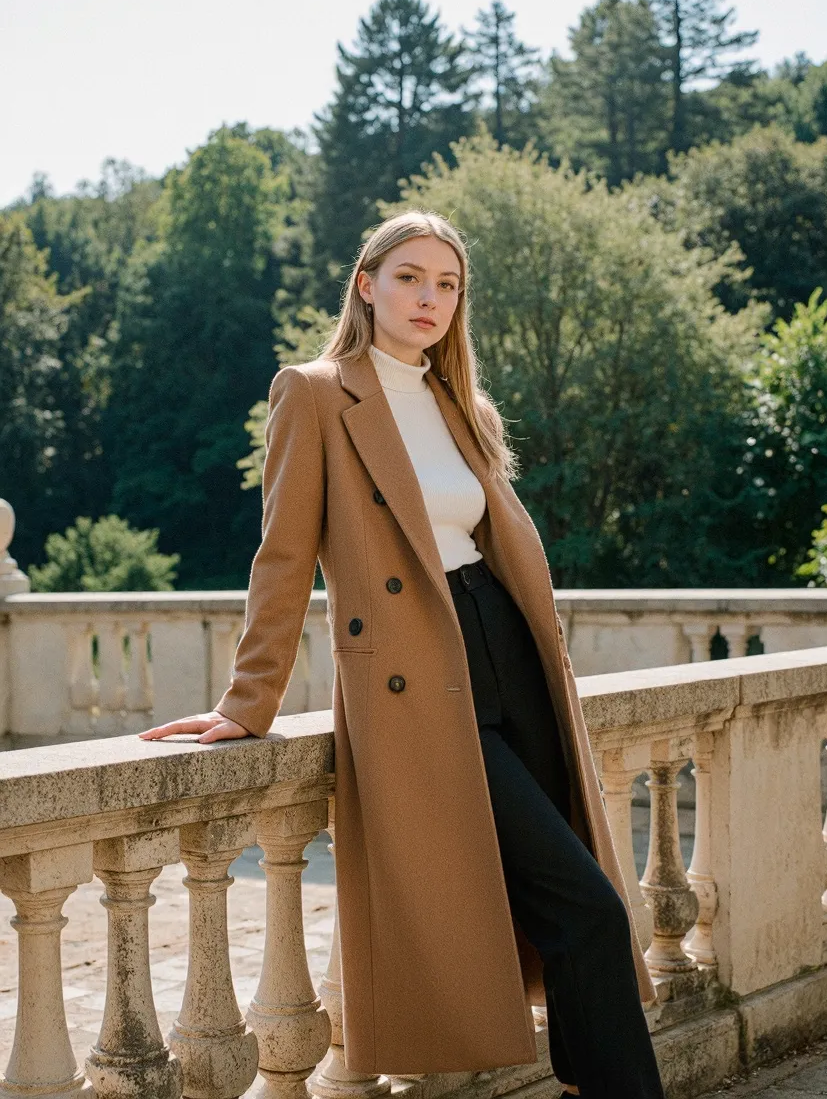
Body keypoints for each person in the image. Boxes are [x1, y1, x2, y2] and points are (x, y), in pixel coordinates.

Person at [139, 210, 666, 1099]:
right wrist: (247, 702)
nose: (430, 299)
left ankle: (591, 1081)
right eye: (411, 278)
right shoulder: (315, 393)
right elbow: (283, 554)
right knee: (590, 908)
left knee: (578, 915)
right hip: (421, 676)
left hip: (512, 658)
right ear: (366, 284)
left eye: (448, 285)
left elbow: (487, 543)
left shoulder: (461, 403)